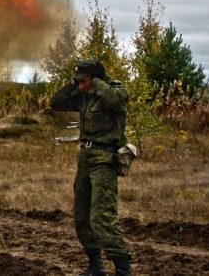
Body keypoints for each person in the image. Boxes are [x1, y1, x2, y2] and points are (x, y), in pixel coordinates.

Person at [50, 59, 132, 276]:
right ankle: (95, 266)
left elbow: (119, 99)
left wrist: (95, 84)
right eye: (77, 82)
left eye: (83, 81)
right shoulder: (82, 94)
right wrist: (73, 83)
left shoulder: (112, 91)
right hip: (85, 157)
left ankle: (123, 270)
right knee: (82, 215)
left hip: (105, 158)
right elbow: (56, 103)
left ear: (95, 79)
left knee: (102, 215)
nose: (81, 86)